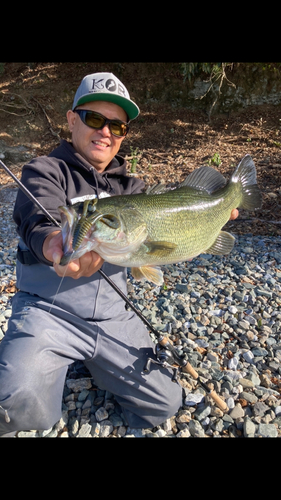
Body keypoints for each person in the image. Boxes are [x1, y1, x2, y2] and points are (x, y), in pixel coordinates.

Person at [0, 71, 238, 437]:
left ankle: (86, 365)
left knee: (164, 403)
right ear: (70, 119)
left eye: (118, 126)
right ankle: (53, 360)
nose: (106, 131)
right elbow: (39, 219)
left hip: (115, 318)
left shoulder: (134, 189)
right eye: (94, 119)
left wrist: (208, 222)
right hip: (48, 315)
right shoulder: (46, 171)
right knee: (17, 406)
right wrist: (52, 244)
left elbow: (154, 251)